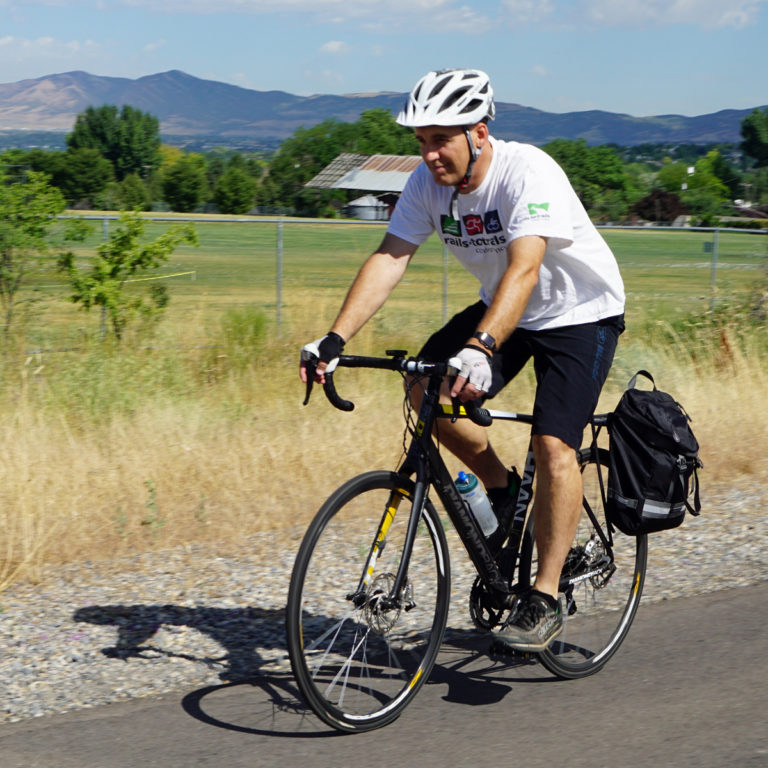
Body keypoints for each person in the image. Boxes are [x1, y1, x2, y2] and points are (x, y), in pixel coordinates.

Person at [300, 68, 625, 652]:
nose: (427, 155)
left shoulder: (527, 172)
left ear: (478, 132)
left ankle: (545, 597)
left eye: (439, 139)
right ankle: (502, 492)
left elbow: (525, 270)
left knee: (554, 444)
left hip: (579, 314)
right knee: (425, 391)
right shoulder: (429, 186)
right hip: (504, 308)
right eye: (420, 142)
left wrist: (480, 348)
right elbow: (391, 257)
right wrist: (333, 339)